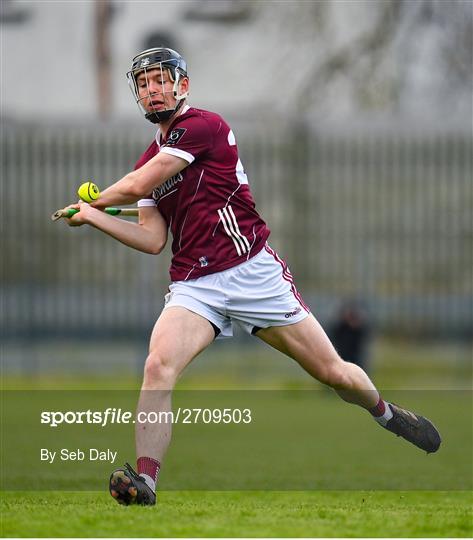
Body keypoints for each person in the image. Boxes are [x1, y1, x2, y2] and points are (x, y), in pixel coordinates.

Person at [62, 47, 441, 506]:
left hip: (252, 274)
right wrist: (92, 216)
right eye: (143, 84)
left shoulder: (203, 127)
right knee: (157, 367)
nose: (153, 89)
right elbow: (152, 239)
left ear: (182, 86)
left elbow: (139, 186)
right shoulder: (147, 158)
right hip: (196, 286)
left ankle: (386, 414)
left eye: (161, 79)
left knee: (334, 374)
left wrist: (98, 199)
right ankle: (146, 482)